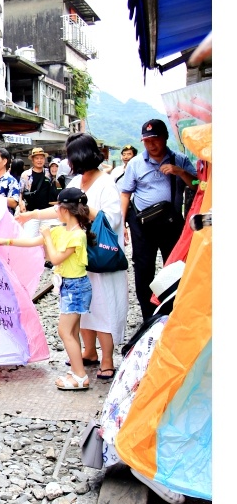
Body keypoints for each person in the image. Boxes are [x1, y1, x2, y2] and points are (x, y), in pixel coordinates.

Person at [20, 132, 129, 380]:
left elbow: (111, 220)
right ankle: (89, 352)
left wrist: (81, 205)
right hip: (80, 258)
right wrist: (32, 215)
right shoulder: (76, 181)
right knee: (85, 308)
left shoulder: (107, 183)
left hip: (101, 257)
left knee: (104, 307)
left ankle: (108, 360)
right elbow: (61, 209)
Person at [0, 185, 94, 390]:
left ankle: (80, 376)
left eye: (58, 207)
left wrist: (48, 238)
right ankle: (76, 371)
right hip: (67, 286)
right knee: (72, 331)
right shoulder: (60, 230)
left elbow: (56, 258)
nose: (56, 211)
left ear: (67, 210)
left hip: (76, 287)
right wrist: (6, 241)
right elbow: (32, 242)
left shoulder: (77, 235)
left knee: (64, 331)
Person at [120, 119, 196, 323]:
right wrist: (122, 224)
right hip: (142, 224)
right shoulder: (135, 163)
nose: (151, 144)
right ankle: (148, 317)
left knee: (174, 267)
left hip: (171, 223)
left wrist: (180, 172)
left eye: (155, 139)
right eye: (146, 141)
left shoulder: (179, 159)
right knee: (143, 268)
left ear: (165, 138)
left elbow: (199, 184)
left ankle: (173, 312)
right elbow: (125, 193)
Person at [18, 147, 58, 236]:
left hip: (47, 213)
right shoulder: (26, 175)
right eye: (37, 158)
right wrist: (21, 203)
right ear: (32, 160)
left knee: (46, 241)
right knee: (29, 239)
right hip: (31, 213)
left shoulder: (49, 173)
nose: (39, 160)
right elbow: (20, 192)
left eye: (41, 158)